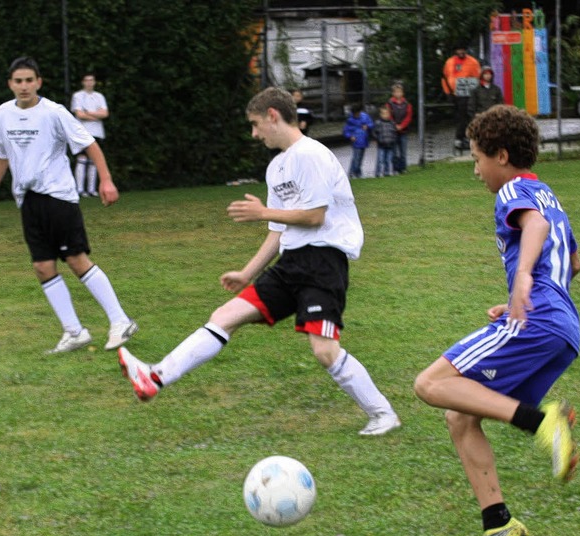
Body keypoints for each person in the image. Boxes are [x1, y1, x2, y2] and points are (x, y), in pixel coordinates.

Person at [118, 87, 400, 437]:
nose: (254, 134)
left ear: (272, 115)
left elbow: (313, 216)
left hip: (323, 263)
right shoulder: (277, 166)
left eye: (255, 124)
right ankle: (154, 377)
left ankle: (383, 413)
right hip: (291, 264)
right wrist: (247, 272)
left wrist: (263, 211)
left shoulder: (311, 155)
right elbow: (279, 230)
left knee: (325, 351)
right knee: (224, 316)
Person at [414, 105, 580, 536]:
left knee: (430, 384)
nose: (475, 169)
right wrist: (513, 298)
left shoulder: (514, 189)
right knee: (460, 414)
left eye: (477, 157)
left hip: (540, 319)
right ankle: (498, 526)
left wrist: (523, 279)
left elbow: (536, 229)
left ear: (502, 155)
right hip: (561, 326)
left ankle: (540, 421)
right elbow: (572, 263)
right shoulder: (549, 194)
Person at [0, 57, 138, 353]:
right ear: (10, 85)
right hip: (27, 199)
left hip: (58, 197)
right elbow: (0, 154)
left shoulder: (54, 112)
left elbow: (90, 143)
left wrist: (106, 181)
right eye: (18, 81)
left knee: (77, 260)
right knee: (42, 266)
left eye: (29, 80)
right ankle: (74, 331)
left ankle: (121, 321)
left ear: (39, 82)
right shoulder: (2, 114)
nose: (24, 86)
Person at [70, 73, 108, 197]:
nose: (89, 82)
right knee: (82, 159)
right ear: (83, 82)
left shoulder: (99, 96)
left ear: (94, 82)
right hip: (82, 132)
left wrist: (89, 113)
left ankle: (91, 189)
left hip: (97, 132)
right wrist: (96, 115)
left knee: (93, 160)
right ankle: (80, 189)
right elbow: (80, 114)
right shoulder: (78, 96)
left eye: (91, 80)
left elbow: (105, 113)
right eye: (87, 80)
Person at [442, 44, 481, 149]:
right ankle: (459, 139)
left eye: (463, 49)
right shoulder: (449, 62)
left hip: (468, 95)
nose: (461, 51)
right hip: (454, 94)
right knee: (459, 117)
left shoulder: (473, 62)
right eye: (459, 49)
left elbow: (477, 78)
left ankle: (469, 138)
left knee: (469, 116)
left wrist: (476, 94)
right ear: (456, 51)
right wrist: (447, 93)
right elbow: (444, 78)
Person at [387, 82, 413, 175]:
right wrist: (395, 125)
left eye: (399, 92)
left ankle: (403, 168)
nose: (398, 93)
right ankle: (395, 169)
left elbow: (408, 117)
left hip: (403, 131)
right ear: (393, 93)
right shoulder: (390, 103)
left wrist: (401, 126)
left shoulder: (407, 104)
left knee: (403, 151)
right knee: (394, 152)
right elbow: (388, 116)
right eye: (396, 92)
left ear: (402, 93)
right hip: (393, 131)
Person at [343, 103, 373, 179]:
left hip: (363, 140)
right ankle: (354, 172)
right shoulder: (350, 120)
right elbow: (346, 131)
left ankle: (355, 172)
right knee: (356, 158)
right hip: (356, 141)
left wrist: (367, 126)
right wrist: (350, 136)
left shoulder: (365, 116)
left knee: (359, 158)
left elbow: (371, 124)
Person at [372, 105, 396, 177]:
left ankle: (387, 172)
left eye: (387, 113)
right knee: (380, 159)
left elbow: (394, 133)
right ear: (381, 114)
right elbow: (374, 132)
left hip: (390, 144)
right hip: (381, 144)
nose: (386, 115)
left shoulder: (392, 123)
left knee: (388, 160)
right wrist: (376, 139)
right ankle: (378, 173)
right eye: (384, 113)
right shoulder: (378, 123)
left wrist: (393, 140)